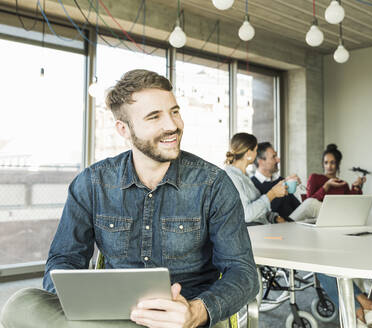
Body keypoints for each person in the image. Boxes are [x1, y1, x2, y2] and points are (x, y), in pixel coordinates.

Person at [0, 70, 259, 328]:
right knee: (21, 302)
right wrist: (76, 303)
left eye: (175, 111)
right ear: (123, 129)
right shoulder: (91, 183)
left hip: (183, 315)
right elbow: (64, 260)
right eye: (154, 116)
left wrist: (197, 311)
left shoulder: (213, 184)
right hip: (111, 313)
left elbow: (243, 273)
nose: (172, 125)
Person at [224, 133, 290, 225]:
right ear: (248, 153)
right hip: (252, 233)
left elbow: (257, 209)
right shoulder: (232, 177)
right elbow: (247, 215)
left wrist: (273, 217)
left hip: (262, 227)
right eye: (255, 150)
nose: (256, 153)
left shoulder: (244, 176)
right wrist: (272, 194)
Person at [289, 144, 366, 221]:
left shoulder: (343, 184)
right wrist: (326, 186)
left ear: (338, 164)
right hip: (319, 216)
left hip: (338, 214)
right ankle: (289, 223)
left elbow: (351, 204)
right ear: (323, 164)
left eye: (332, 163)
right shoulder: (315, 178)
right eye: (326, 163)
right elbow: (309, 203)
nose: (329, 166)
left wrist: (356, 186)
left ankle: (289, 222)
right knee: (310, 202)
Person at [251, 142, 301, 220]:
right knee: (312, 204)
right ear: (260, 161)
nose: (278, 160)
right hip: (278, 226)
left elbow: (298, 207)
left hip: (295, 223)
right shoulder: (252, 184)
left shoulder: (280, 180)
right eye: (273, 157)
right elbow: (264, 212)